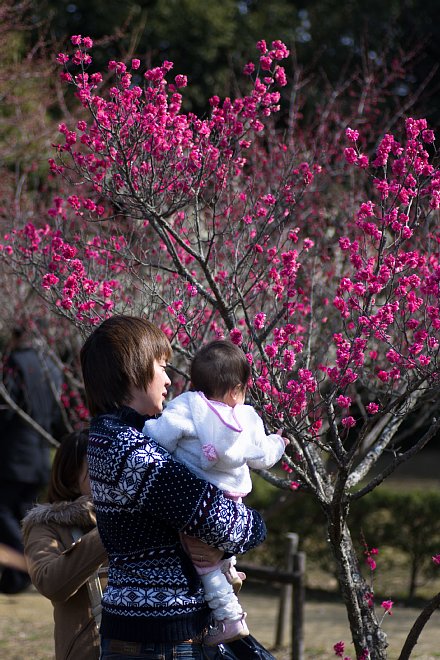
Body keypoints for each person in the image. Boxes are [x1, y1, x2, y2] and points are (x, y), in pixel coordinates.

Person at [80, 315, 267, 659]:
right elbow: (215, 518)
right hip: (158, 637)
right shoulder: (124, 446)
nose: (169, 380)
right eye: (161, 367)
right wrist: (255, 526)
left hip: (161, 630)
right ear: (132, 368)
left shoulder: (128, 437)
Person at [143, 339, 288, 646]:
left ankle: (230, 617)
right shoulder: (247, 417)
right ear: (238, 388)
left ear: (195, 382)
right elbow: (263, 455)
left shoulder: (187, 406)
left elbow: (160, 438)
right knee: (217, 549)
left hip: (197, 501)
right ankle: (230, 568)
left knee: (202, 563)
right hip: (232, 499)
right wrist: (280, 443)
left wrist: (145, 435)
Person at [22, 430, 107, 660]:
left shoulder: (143, 514)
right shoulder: (46, 526)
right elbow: (50, 583)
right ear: (71, 476)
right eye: (99, 468)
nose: (113, 475)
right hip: (90, 652)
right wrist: (108, 530)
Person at [0, 326, 63, 594]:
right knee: (24, 518)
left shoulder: (15, 362)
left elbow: (6, 409)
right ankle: (17, 579)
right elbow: (58, 413)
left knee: (3, 512)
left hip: (14, 457)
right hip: (39, 456)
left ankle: (27, 564)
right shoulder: (52, 365)